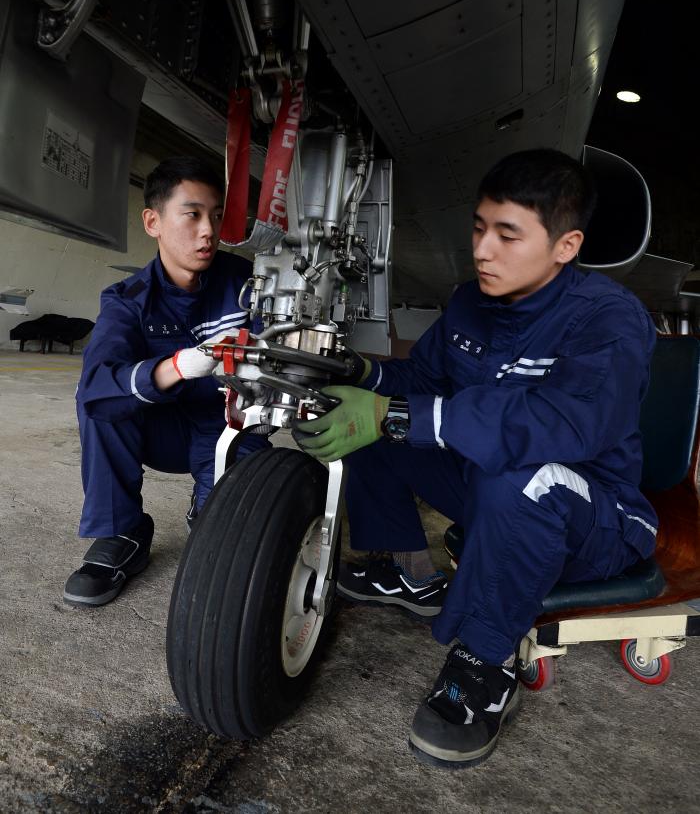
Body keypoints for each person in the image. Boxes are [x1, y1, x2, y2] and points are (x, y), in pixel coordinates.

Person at [294, 148, 658, 769]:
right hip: (492, 486)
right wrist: (360, 374)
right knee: (377, 427)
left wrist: (401, 414)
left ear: (566, 246)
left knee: (520, 474)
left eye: (508, 234)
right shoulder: (470, 303)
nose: (483, 249)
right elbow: (423, 380)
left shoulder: (610, 321)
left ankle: (484, 662)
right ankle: (410, 573)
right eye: (479, 228)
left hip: (597, 517)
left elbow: (564, 425)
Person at [64, 156, 265, 608]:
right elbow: (98, 380)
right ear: (153, 221)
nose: (208, 230)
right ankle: (124, 532)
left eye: (215, 216)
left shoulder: (247, 282)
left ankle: (208, 503)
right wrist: (174, 367)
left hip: (229, 426)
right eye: (192, 214)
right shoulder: (128, 299)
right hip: (161, 429)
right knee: (99, 401)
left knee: (226, 555)